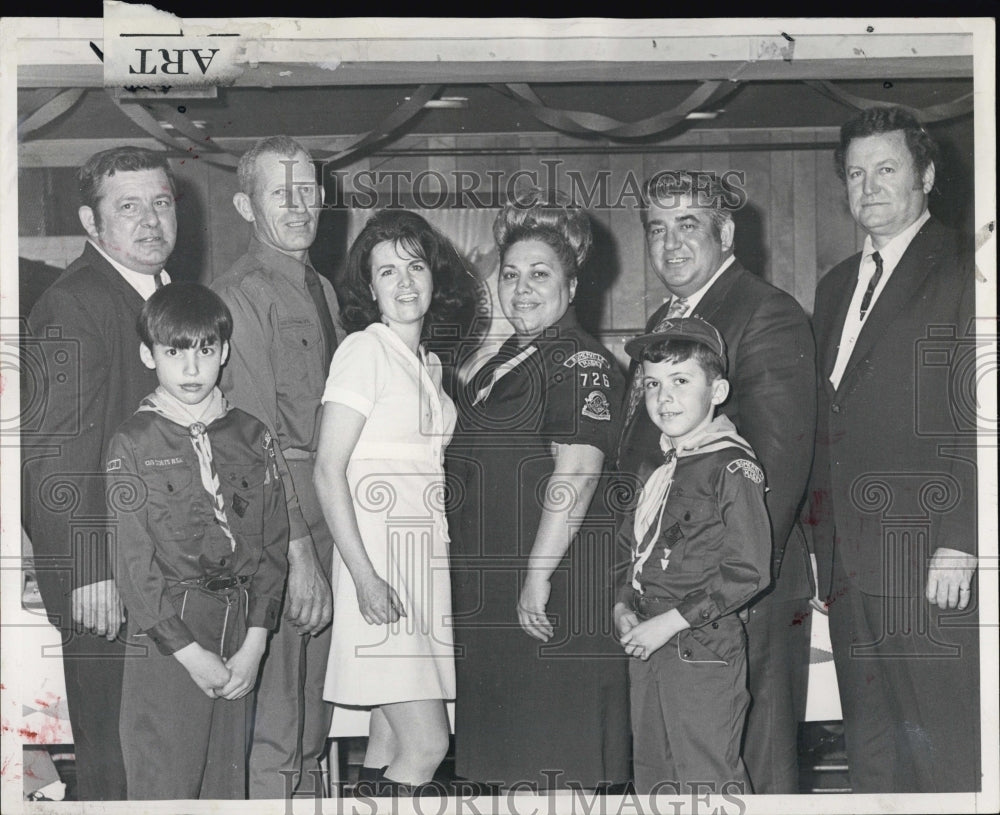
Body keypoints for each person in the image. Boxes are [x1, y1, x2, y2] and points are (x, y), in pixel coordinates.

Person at [616, 170, 816, 793]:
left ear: (725, 232)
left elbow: (776, 471)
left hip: (733, 596)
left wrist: (706, 602)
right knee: (671, 768)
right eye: (657, 228)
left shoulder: (767, 312)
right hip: (671, 597)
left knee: (745, 763)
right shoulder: (665, 317)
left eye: (688, 225)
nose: (670, 243)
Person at [810, 106, 979, 793]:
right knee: (870, 749)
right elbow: (830, 421)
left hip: (927, 552)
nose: (868, 186)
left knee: (943, 746)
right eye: (855, 173)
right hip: (851, 560)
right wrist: (822, 549)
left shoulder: (967, 267)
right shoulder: (834, 284)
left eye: (886, 169)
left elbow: (980, 412)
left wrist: (960, 537)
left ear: (927, 177)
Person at [447, 190, 630, 790]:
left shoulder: (580, 361)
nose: (522, 288)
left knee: (554, 768)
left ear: (572, 287)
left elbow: (574, 475)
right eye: (511, 274)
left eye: (540, 274)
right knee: (508, 770)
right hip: (496, 597)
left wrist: (537, 575)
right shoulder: (505, 357)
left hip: (549, 595)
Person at [22, 145, 177, 800]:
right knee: (117, 764)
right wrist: (90, 569)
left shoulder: (169, 297)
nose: (150, 220)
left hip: (162, 575)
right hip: (105, 583)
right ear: (91, 222)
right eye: (129, 206)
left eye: (162, 202)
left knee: (159, 758)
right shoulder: (75, 303)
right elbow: (54, 453)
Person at [105, 282, 288, 799]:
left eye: (205, 350)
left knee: (226, 790)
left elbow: (274, 544)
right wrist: (188, 652)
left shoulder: (253, 436)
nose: (191, 369)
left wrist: (255, 643)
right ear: (149, 355)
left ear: (224, 352)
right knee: (166, 786)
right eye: (174, 352)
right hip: (170, 633)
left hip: (241, 629)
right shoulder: (134, 441)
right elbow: (132, 564)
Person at [313, 210, 474, 796]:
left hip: (422, 567)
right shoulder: (364, 351)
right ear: (369, 286)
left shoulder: (430, 365)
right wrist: (364, 577)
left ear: (434, 275)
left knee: (388, 740)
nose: (405, 282)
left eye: (415, 266)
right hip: (378, 565)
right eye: (387, 271)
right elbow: (328, 469)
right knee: (429, 745)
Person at [211, 135, 342, 798]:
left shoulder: (321, 288)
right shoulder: (242, 294)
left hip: (331, 517)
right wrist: (297, 553)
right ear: (245, 204)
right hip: (283, 523)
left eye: (306, 188)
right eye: (277, 191)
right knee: (278, 725)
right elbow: (256, 437)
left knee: (314, 720)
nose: (297, 204)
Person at [614, 317, 771, 794]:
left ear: (717, 390)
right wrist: (622, 605)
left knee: (706, 778)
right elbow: (632, 553)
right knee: (654, 776)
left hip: (700, 644)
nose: (664, 398)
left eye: (681, 382)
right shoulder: (658, 466)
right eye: (652, 385)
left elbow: (748, 571)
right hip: (646, 638)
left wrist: (669, 623)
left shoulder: (732, 465)